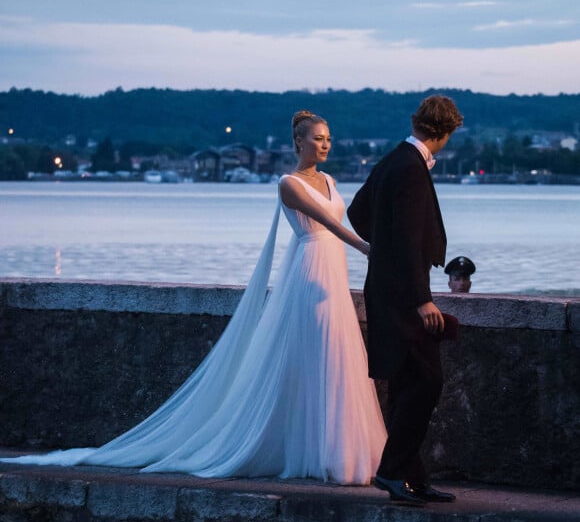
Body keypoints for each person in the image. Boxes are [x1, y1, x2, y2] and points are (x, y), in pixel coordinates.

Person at [1, 111, 386, 485]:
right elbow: (330, 225)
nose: (325, 145)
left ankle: (337, 452)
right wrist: (367, 248)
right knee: (316, 354)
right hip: (310, 269)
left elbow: (344, 217)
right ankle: (318, 454)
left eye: (329, 139)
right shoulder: (289, 183)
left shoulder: (332, 180)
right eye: (318, 138)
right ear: (298, 142)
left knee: (338, 353)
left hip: (332, 274)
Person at [347, 95, 464, 506]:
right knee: (427, 382)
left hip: (385, 287)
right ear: (447, 132)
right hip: (404, 297)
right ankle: (392, 472)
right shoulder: (410, 169)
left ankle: (412, 478)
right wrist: (421, 299)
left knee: (407, 383)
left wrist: (386, 247)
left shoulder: (392, 161)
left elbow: (357, 213)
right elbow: (408, 239)